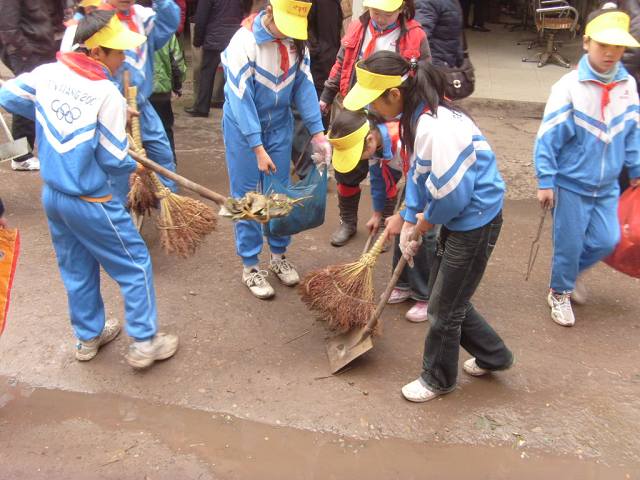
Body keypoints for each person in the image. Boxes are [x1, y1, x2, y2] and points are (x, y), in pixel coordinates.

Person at [0, 11, 179, 368]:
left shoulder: (48, 73)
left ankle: (87, 337)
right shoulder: (105, 93)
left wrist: (48, 113)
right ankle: (145, 342)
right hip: (92, 199)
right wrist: (134, 164)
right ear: (96, 52)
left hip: (54, 196)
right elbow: (113, 159)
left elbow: (8, 95)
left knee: (77, 267)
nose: (123, 59)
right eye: (118, 52)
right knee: (135, 265)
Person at [343, 51, 513, 402]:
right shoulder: (415, 118)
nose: (371, 109)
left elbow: (451, 196)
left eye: (374, 101)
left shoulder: (436, 127)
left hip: (475, 219)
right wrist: (409, 216)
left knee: (443, 308)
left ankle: (438, 379)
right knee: (445, 295)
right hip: (461, 215)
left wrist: (423, 224)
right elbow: (419, 175)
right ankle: (494, 355)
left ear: (394, 94)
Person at [534, 5, 640, 327]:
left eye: (617, 46)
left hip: (607, 185)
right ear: (586, 42)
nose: (610, 53)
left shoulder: (627, 85)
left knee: (607, 240)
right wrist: (545, 180)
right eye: (603, 44)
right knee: (568, 244)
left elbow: (633, 131)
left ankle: (568, 274)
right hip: (570, 184)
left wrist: (636, 169)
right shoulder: (568, 87)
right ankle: (559, 292)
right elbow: (548, 138)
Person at [221, 0, 331, 299]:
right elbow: (241, 100)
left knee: (279, 192)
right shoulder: (242, 43)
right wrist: (257, 147)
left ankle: (279, 255)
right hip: (243, 130)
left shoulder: (296, 43)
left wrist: (318, 133)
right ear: (269, 11)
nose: (287, 32)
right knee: (247, 195)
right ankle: (250, 266)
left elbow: (304, 86)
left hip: (280, 125)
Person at [319, 0, 431, 247]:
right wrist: (327, 96)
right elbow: (341, 62)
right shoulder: (358, 28)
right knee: (347, 167)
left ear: (401, 9)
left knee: (387, 168)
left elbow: (424, 75)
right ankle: (348, 221)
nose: (379, 18)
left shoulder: (415, 35)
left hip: (391, 111)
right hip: (357, 108)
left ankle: (383, 222)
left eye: (386, 14)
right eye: (375, 12)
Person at [328, 108, 435, 323]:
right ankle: (403, 284)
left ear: (369, 140)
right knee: (402, 233)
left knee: (423, 237)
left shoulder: (403, 141)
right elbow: (378, 181)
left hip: (433, 185)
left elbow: (423, 184)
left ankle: (426, 296)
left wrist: (405, 215)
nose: (357, 160)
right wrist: (377, 213)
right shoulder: (376, 148)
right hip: (415, 182)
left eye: (356, 155)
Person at [102, 0, 180, 205]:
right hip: (109, 108)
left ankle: (168, 207)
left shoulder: (142, 17)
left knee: (162, 156)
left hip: (142, 106)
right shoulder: (95, 17)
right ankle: (121, 217)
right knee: (119, 166)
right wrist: (116, 104)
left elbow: (169, 21)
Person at [0, 0, 66, 171]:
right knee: (24, 97)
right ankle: (19, 157)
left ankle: (18, 154)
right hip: (26, 50)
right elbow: (7, 25)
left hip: (46, 45)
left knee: (42, 98)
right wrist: (23, 49)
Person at [291, 0, 343, 179]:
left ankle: (316, 168)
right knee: (304, 120)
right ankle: (308, 171)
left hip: (324, 62)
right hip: (316, 64)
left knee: (319, 120)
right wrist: (314, 50)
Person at [183, 0, 247, 117]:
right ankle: (234, 107)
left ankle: (202, 107)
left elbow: (201, 18)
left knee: (207, 74)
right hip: (234, 38)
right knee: (234, 74)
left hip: (214, 38)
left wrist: (197, 40)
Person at [415, 0, 464, 67]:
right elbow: (420, 38)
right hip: (436, 63)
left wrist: (460, 58)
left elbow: (455, 32)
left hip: (447, 61)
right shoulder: (426, 3)